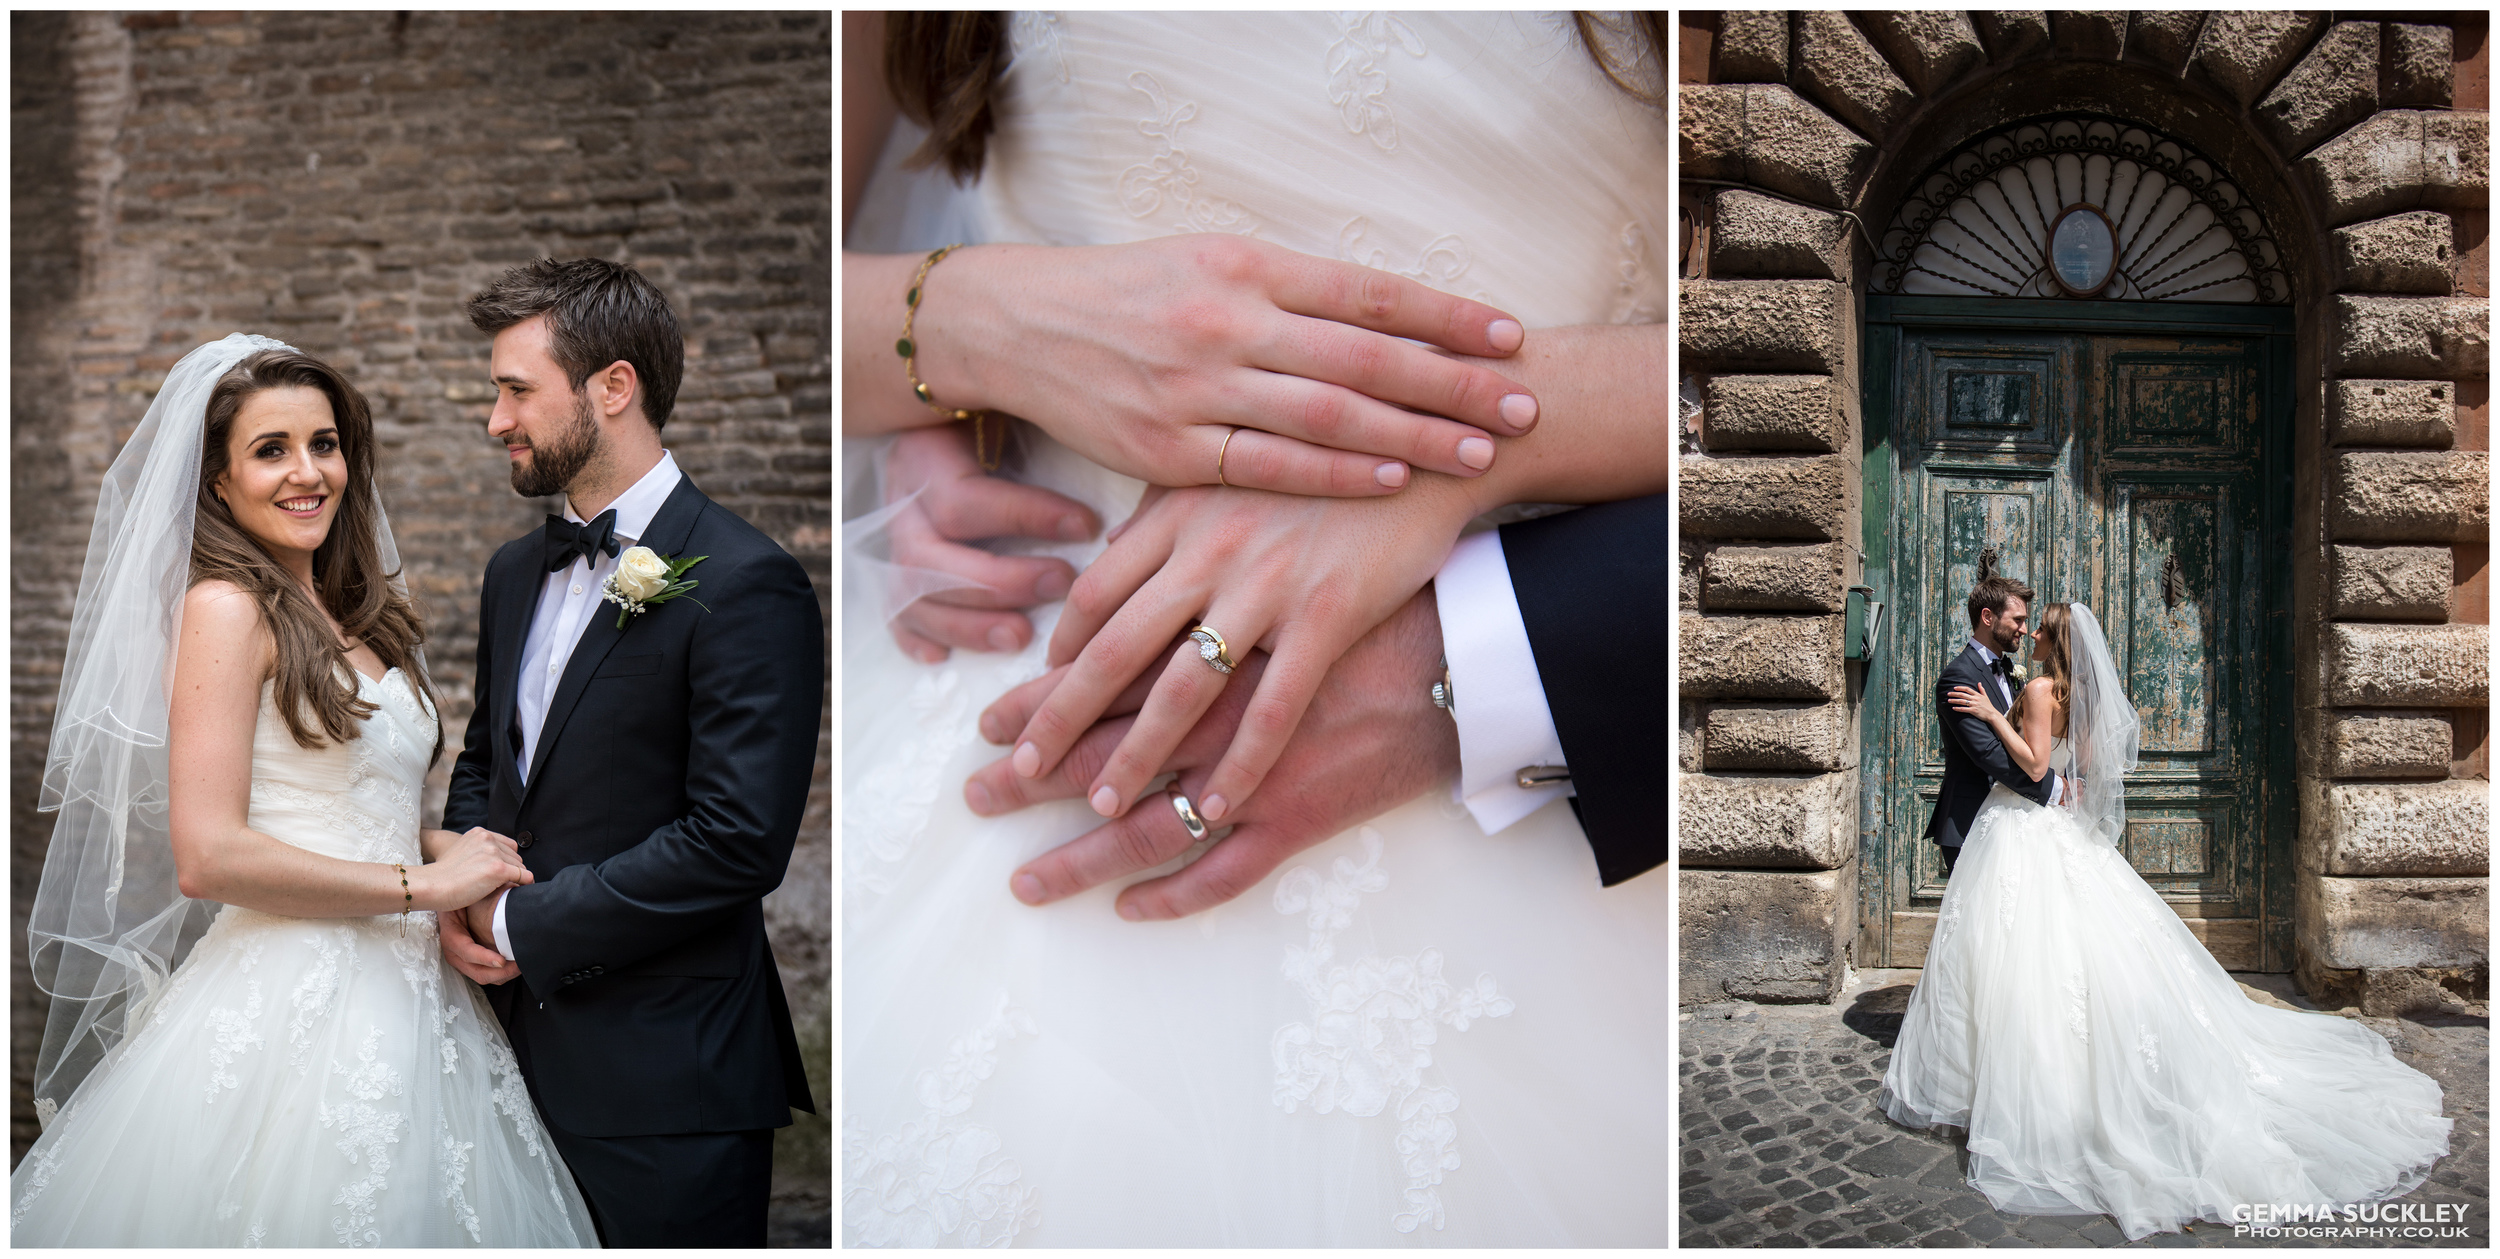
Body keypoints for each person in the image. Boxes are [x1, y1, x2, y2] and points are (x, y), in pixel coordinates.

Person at [842, 12, 1668, 1245]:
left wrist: (1474, 455)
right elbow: (792, 284)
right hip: (1032, 695)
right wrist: (962, 339)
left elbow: (1804, 336)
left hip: (1522, 825)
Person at [11, 336, 597, 1245]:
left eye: (323, 444)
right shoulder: (225, 607)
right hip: (291, 999)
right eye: (271, 449)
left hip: (417, 994)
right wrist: (422, 887)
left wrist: (443, 851)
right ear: (217, 481)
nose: (308, 472)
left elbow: (363, 800)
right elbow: (210, 854)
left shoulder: (354, 608)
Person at [434, 259, 824, 1246]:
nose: (495, 419)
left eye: (515, 389)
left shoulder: (747, 580)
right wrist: (465, 888)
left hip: (667, 1081)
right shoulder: (513, 569)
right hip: (501, 1055)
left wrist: (520, 920)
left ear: (613, 386)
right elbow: (491, 760)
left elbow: (736, 838)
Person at [1882, 601, 2452, 1241]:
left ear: (2054, 641)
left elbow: (2037, 767)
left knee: (2024, 954)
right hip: (2044, 828)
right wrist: (2057, 771)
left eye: (2039, 628)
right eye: (2027, 624)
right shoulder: (2070, 691)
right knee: (2048, 956)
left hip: (2022, 826)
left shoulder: (2038, 686)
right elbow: (2085, 766)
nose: (2031, 634)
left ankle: (2020, 1088)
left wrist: (1994, 715)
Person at [1926, 575, 2060, 877]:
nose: (2025, 630)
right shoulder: (1958, 677)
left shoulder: (2012, 671)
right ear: (1988, 617)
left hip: (2012, 818)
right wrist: (2055, 788)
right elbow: (1988, 753)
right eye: (2018, 620)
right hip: (1973, 820)